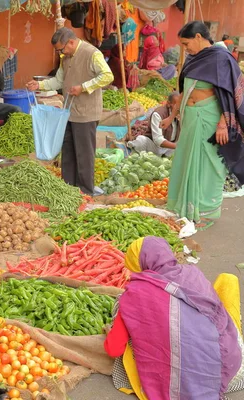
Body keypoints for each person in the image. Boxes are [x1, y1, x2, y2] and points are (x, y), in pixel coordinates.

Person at [104, 236, 244, 400]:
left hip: (183, 385)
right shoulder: (192, 273)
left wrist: (112, 331)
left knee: (126, 318)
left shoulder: (135, 295)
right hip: (228, 367)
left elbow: (114, 350)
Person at [161, 21, 244, 229]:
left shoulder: (221, 58)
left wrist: (223, 124)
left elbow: (229, 95)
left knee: (210, 165)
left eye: (186, 43)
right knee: (186, 160)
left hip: (209, 120)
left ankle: (208, 211)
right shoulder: (194, 59)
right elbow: (185, 91)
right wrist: (172, 117)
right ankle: (186, 207)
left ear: (199, 37)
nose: (185, 48)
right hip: (190, 119)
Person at [26, 28, 113, 195]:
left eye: (61, 49)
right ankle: (68, 189)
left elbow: (107, 76)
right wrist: (39, 86)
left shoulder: (91, 53)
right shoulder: (65, 58)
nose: (60, 53)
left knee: (84, 154)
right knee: (68, 151)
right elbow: (59, 81)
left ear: (71, 42)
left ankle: (85, 192)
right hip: (68, 112)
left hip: (86, 113)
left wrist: (84, 87)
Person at [127, 92, 180, 156]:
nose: (179, 107)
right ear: (168, 104)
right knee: (141, 140)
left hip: (170, 148)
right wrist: (176, 146)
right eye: (176, 104)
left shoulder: (181, 114)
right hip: (155, 146)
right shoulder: (158, 114)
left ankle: (166, 156)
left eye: (180, 105)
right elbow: (158, 140)